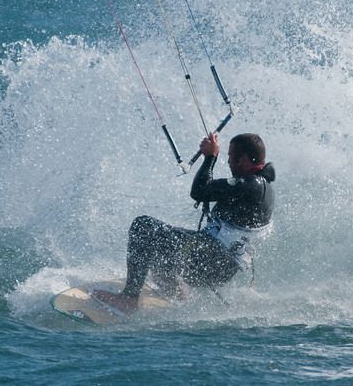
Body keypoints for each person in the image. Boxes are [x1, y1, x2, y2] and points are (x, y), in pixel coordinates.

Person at [93, 132, 275, 313]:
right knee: (164, 239)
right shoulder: (260, 185)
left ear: (242, 159)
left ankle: (128, 299)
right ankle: (175, 290)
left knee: (143, 226)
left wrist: (210, 157)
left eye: (230, 156)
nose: (227, 161)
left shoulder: (252, 185)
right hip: (218, 264)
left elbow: (200, 191)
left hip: (211, 261)